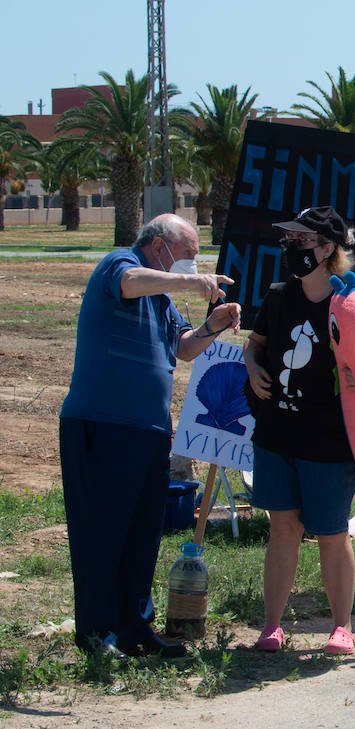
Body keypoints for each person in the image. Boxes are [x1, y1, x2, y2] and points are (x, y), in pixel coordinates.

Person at [60, 213, 241, 658]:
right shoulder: (120, 264)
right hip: (103, 424)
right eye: (188, 256)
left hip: (149, 430)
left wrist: (212, 326)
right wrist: (189, 282)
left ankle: (135, 628)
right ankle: (97, 633)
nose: (190, 266)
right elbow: (129, 282)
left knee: (142, 534)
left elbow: (182, 347)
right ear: (159, 245)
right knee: (102, 531)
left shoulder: (162, 297)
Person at [244, 207, 355, 655]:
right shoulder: (278, 297)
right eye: (291, 240)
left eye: (303, 240)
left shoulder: (353, 302)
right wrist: (252, 367)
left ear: (329, 249)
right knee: (282, 529)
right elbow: (254, 344)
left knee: (332, 534)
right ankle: (272, 626)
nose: (294, 248)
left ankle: (342, 628)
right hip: (276, 435)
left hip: (331, 441)